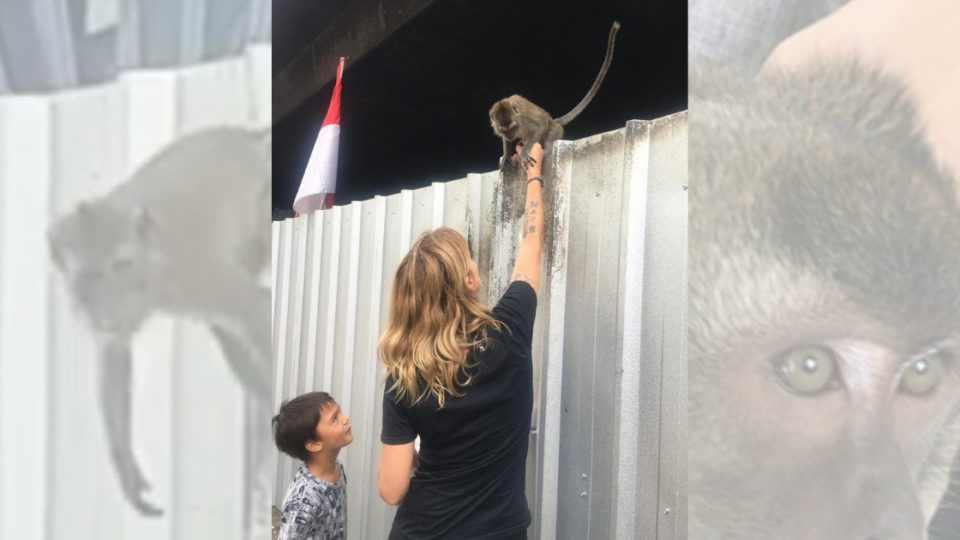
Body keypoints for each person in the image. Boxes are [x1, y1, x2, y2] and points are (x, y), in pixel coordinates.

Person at [376, 142, 545, 539]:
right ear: (468, 280)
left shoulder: (404, 378)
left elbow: (391, 488)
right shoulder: (510, 330)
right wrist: (534, 175)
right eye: (469, 257)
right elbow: (531, 244)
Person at [272, 391, 353, 540]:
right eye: (335, 418)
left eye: (340, 411)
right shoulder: (303, 499)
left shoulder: (337, 469)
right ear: (313, 444)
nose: (345, 418)